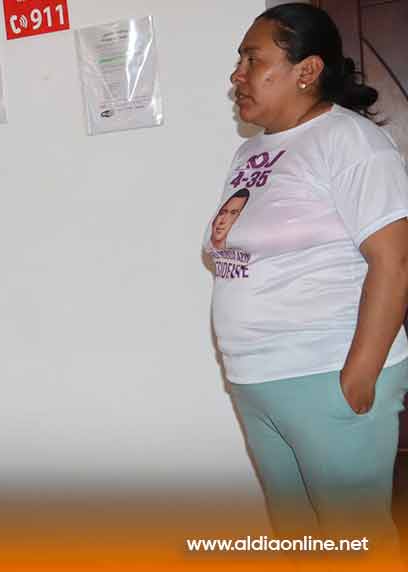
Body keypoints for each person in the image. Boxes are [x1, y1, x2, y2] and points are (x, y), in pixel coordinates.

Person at [207, 3, 408, 550]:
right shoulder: (250, 152)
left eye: (253, 59)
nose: (237, 75)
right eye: (240, 60)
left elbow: (394, 261)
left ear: (307, 70)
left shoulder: (350, 141)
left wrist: (358, 377)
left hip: (323, 372)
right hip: (256, 379)